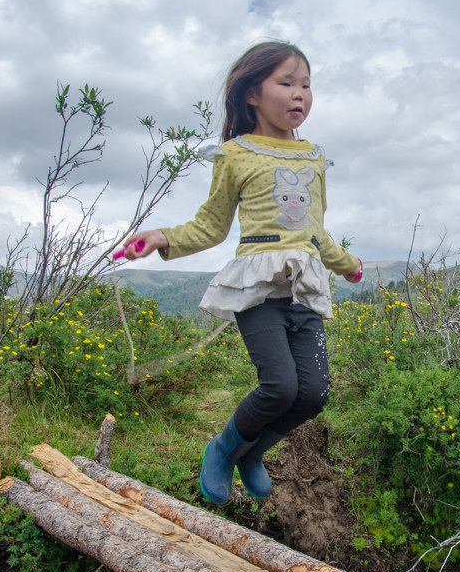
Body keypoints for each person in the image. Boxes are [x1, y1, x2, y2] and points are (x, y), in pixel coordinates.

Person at [119, 41, 364, 505]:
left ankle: (254, 452)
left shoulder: (314, 157)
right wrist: (162, 238)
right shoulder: (235, 154)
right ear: (252, 94)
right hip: (257, 290)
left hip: (305, 290)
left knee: (312, 395)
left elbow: (315, 231)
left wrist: (347, 264)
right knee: (280, 386)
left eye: (307, 85)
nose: (300, 94)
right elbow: (211, 225)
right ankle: (225, 448)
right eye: (286, 83)